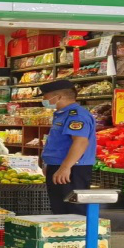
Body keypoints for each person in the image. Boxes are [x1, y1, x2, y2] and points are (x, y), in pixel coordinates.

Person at [39, 80, 97, 215]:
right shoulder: (63, 114)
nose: (43, 100)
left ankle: (78, 229)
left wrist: (65, 167)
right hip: (60, 166)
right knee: (59, 207)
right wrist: (50, 164)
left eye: (45, 97)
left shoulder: (77, 115)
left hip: (72, 169)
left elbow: (80, 142)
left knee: (73, 209)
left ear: (58, 97)